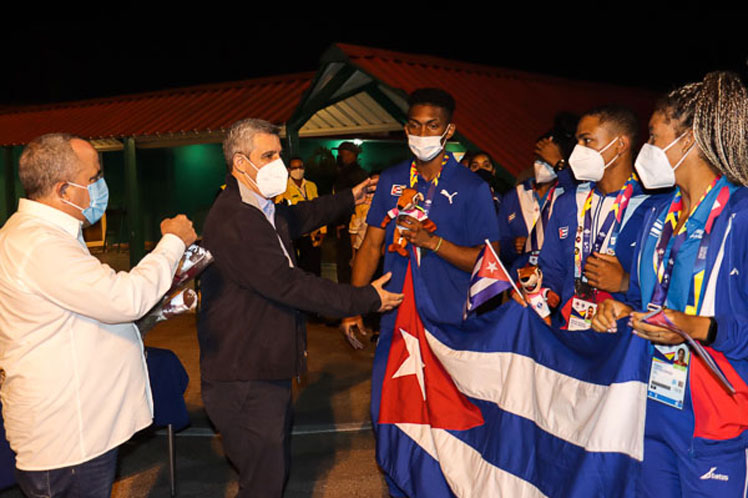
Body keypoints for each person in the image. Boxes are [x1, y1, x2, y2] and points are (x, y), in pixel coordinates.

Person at [197, 118, 403, 498]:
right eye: (269, 155)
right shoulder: (235, 219)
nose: (279, 163)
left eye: (279, 153)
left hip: (260, 368)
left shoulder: (260, 206)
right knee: (264, 483)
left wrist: (348, 198)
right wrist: (364, 299)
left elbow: (298, 217)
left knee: (269, 475)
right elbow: (288, 285)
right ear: (241, 163)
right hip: (244, 377)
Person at [0, 133, 197, 497]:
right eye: (93, 179)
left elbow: (86, 312)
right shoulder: (40, 244)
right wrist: (172, 242)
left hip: (80, 433)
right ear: (63, 190)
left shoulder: (46, 235)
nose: (100, 187)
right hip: (69, 441)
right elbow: (125, 298)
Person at [592, 71, 748, 497]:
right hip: (652, 405)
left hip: (716, 417)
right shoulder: (656, 216)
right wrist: (624, 310)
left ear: (691, 141)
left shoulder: (740, 216)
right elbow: (648, 300)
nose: (648, 150)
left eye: (655, 137)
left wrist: (689, 326)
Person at [340, 88, 500, 497]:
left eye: (431, 126)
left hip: (450, 328)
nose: (421, 133)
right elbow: (371, 246)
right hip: (397, 325)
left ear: (449, 130)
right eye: (414, 125)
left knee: (449, 428)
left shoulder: (472, 188)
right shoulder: (393, 179)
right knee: (393, 419)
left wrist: (434, 245)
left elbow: (489, 264)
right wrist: (354, 306)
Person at [527, 105, 665, 330]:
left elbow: (667, 289)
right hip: (568, 332)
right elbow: (551, 269)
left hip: (621, 339)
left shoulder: (654, 208)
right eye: (578, 141)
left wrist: (625, 282)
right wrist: (540, 293)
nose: (578, 150)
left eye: (587, 141)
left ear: (620, 145)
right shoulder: (567, 203)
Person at [498, 114, 578, 267]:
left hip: (556, 280)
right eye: (539, 159)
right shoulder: (515, 196)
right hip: (521, 279)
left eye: (548, 161)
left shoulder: (567, 192)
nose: (542, 164)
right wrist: (513, 246)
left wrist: (558, 164)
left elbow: (579, 197)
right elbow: (500, 245)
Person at [275, 156, 325, 276]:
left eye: (300, 167)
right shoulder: (283, 188)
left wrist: (322, 232)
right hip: (296, 236)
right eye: (294, 168)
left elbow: (319, 208)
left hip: (313, 234)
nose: (298, 170)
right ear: (288, 170)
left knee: (315, 271)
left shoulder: (311, 186)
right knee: (299, 271)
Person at [332, 141, 369, 284]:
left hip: (352, 224)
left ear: (354, 155)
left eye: (346, 154)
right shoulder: (343, 172)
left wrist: (342, 223)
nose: (343, 157)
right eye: (341, 155)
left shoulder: (356, 174)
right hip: (347, 223)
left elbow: (352, 201)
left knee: (348, 261)